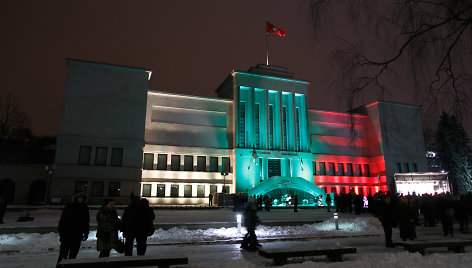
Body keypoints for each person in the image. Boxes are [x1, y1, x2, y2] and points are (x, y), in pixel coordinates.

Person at [57, 192, 90, 264]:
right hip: (67, 234)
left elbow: (86, 221)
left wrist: (86, 232)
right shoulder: (69, 207)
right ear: (76, 198)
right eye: (79, 197)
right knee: (63, 255)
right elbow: (63, 221)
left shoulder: (84, 208)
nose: (81, 199)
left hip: (77, 235)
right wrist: (62, 233)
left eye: (82, 198)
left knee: (73, 255)